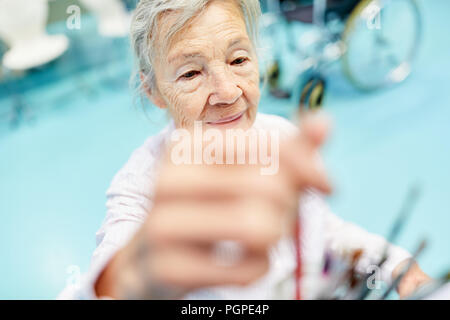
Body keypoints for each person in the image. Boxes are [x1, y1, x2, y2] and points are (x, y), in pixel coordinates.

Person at [58, 0, 430, 300]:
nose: (229, 93)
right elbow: (107, 277)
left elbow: (325, 236)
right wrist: (134, 277)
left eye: (238, 60)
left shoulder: (282, 140)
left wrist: (397, 266)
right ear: (153, 91)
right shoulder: (140, 186)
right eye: (190, 73)